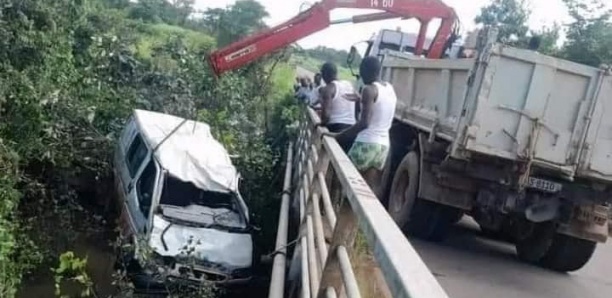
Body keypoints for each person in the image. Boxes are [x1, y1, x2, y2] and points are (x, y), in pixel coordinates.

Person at [326, 57, 397, 196]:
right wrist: (360, 98)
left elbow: (364, 123)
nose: (362, 77)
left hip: (366, 144)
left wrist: (338, 136)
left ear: (365, 71)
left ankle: (331, 211)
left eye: (362, 72)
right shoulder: (389, 88)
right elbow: (381, 105)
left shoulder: (369, 90)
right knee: (364, 191)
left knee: (340, 179)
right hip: (382, 148)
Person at [318, 62, 357, 152]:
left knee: (330, 160)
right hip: (351, 129)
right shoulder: (349, 84)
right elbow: (357, 104)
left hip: (336, 128)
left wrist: (321, 123)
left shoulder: (328, 89)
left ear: (324, 74)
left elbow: (326, 117)